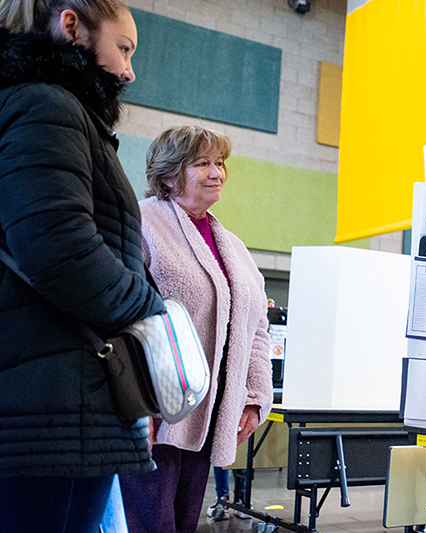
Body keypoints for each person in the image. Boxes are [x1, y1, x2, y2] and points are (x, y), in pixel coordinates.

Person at [0, 1, 166, 532]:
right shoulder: (48, 105)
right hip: (53, 413)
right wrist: (153, 311)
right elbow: (59, 246)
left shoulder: (43, 105)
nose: (129, 71)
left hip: (53, 403)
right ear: (72, 26)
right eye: (123, 48)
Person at [118, 126, 274, 533]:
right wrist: (137, 406)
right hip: (155, 412)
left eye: (219, 163)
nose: (217, 172)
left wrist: (254, 398)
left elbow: (257, 328)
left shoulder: (234, 247)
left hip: (208, 414)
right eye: (202, 163)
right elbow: (121, 315)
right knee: (152, 525)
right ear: (168, 176)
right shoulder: (140, 221)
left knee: (185, 523)